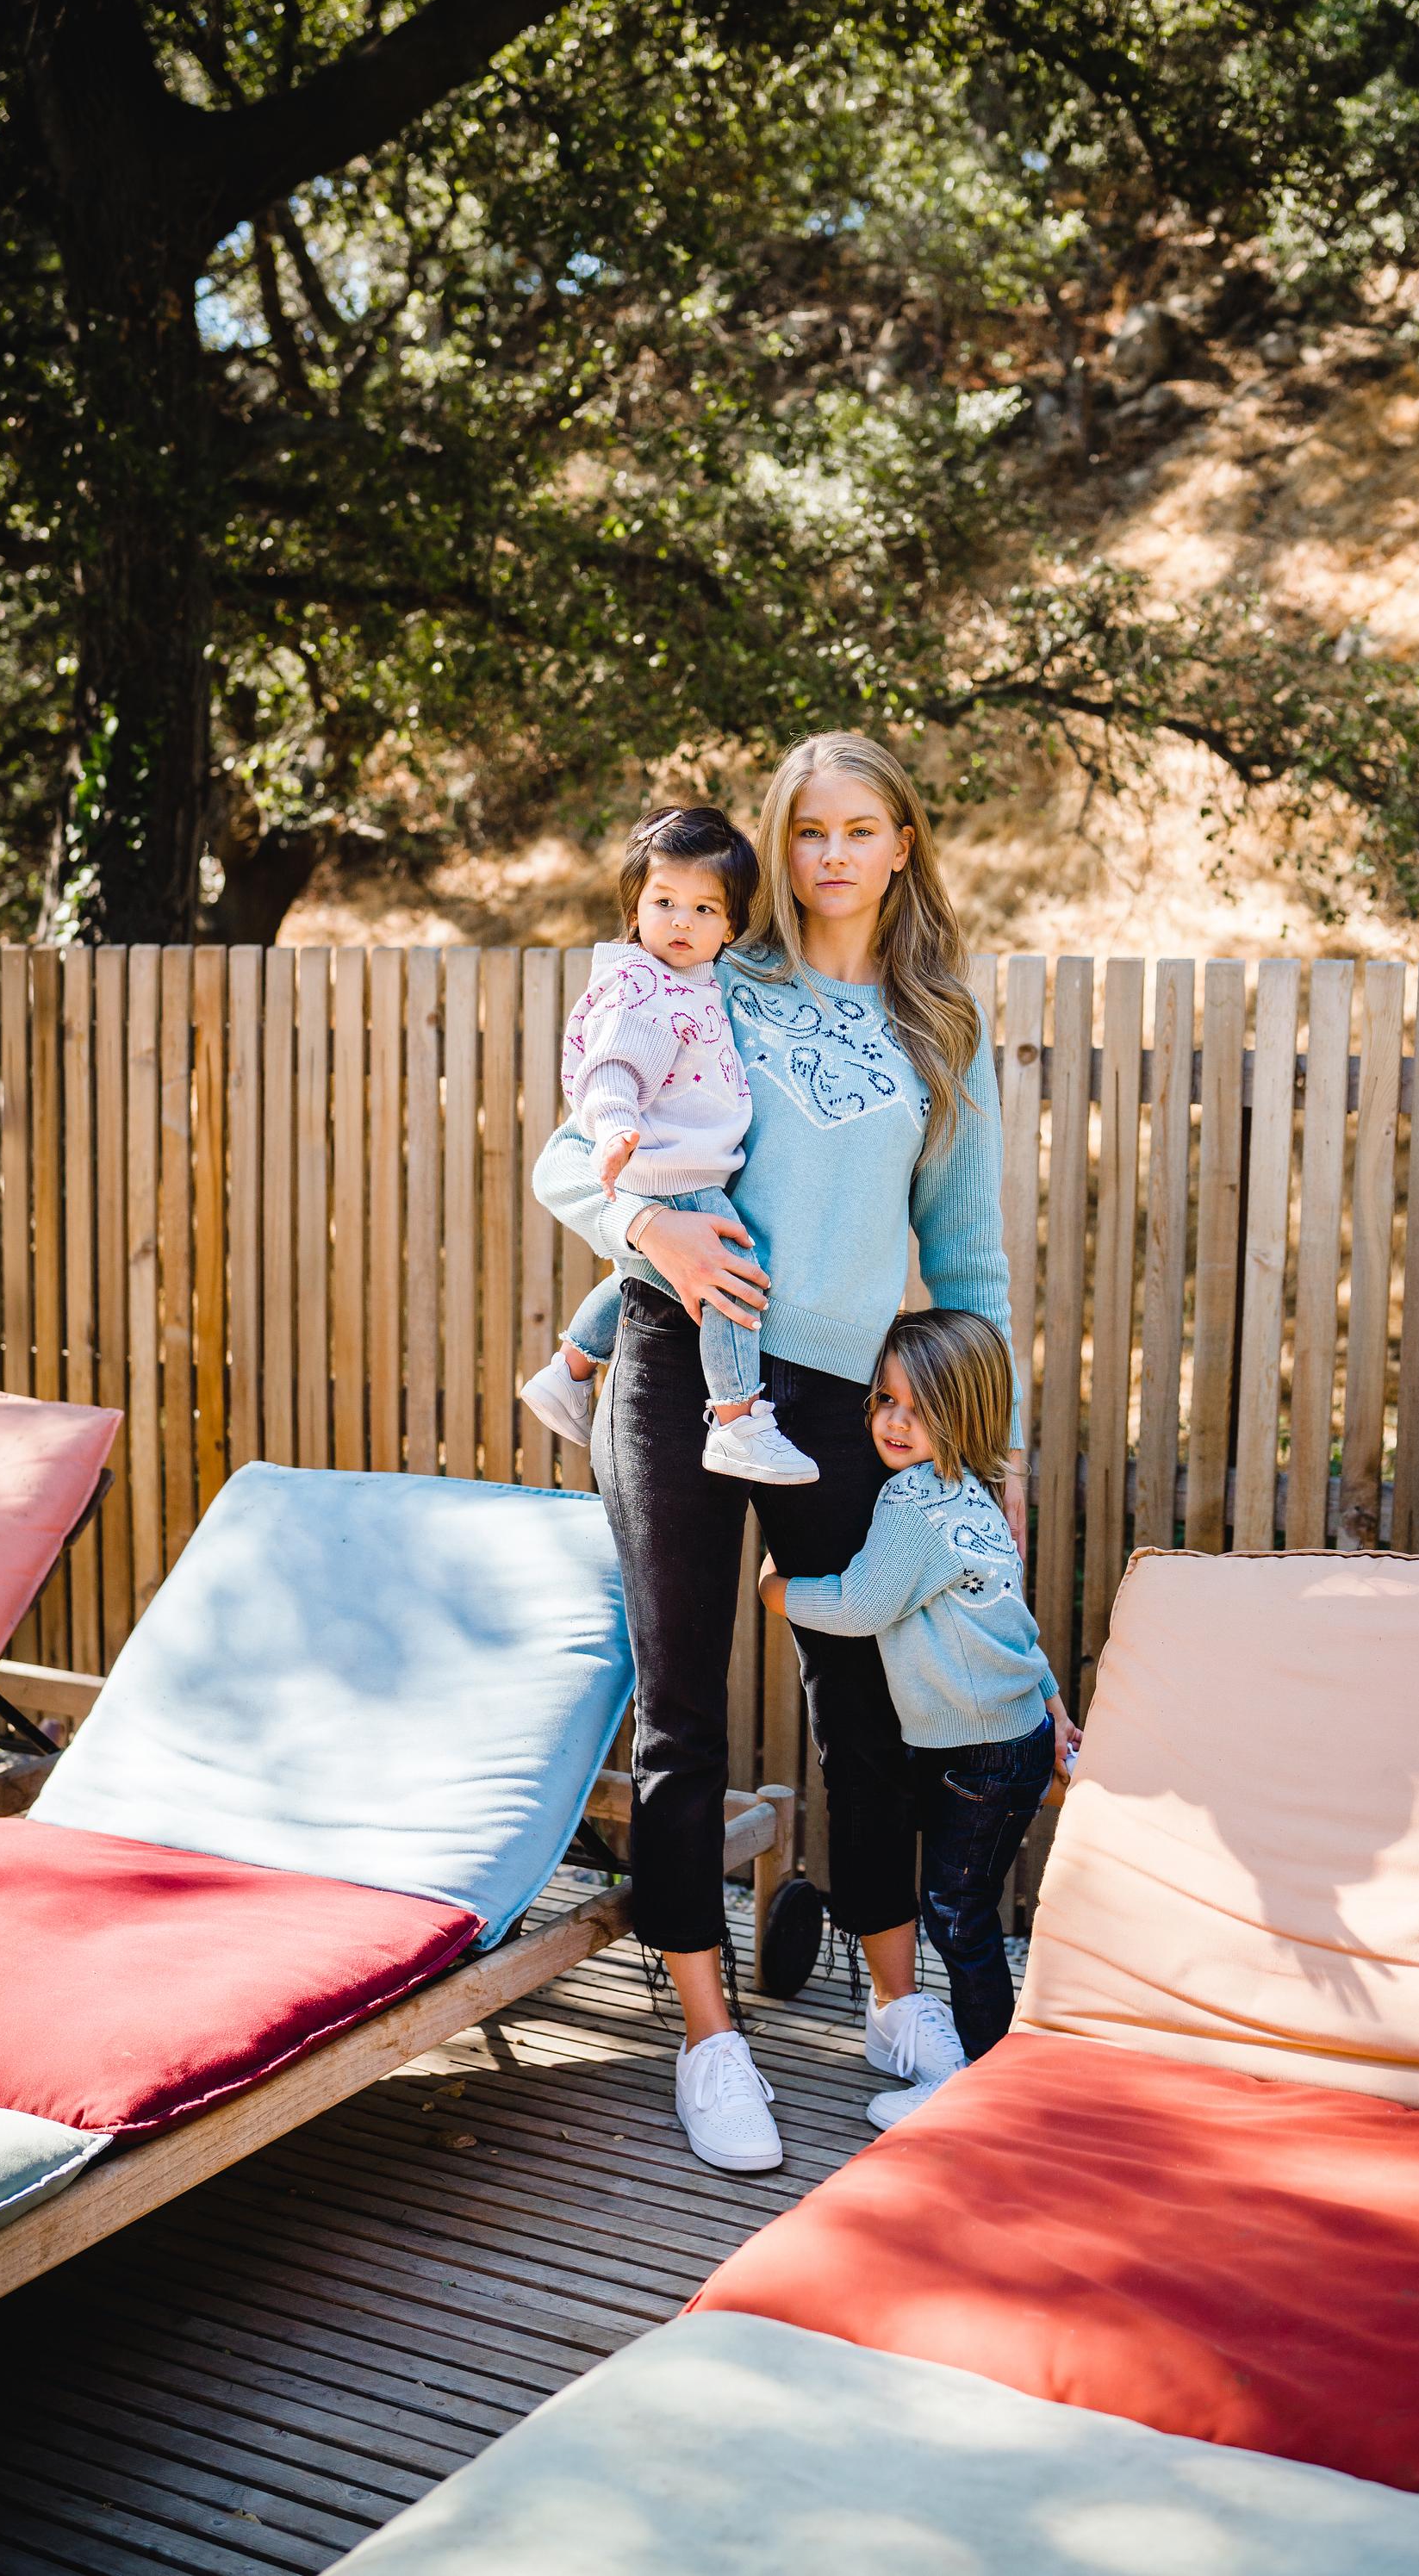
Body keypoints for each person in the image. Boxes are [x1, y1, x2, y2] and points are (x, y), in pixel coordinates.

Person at [532, 731, 1022, 2175]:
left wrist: (972, 1437)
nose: (827, 857)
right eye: (805, 829)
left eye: (858, 828)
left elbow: (969, 1255)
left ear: (900, 845)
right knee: (680, 1701)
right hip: (683, 1357)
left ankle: (894, 2004)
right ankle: (706, 2033)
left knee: (865, 1696)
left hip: (845, 1394)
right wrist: (653, 1230)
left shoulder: (938, 1019)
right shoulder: (705, 972)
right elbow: (580, 1152)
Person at [758, 1309, 1078, 2129]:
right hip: (1016, 1740)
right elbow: (1014, 1622)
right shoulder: (972, 1502)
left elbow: (864, 1606)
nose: (896, 1423)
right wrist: (1051, 1697)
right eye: (884, 1401)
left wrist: (779, 1592)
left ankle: (981, 2087)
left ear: (962, 1413)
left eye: (919, 1407)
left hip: (977, 1755)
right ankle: (988, 2066)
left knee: (959, 1920)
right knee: (967, 1912)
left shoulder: (908, 1504)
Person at [520, 805, 817, 1484]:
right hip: (673, 1166)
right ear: (635, 906)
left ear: (732, 925)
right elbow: (613, 1066)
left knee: (645, 1271)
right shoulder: (646, 990)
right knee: (731, 1277)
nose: (683, 922)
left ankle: (567, 1372)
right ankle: (739, 1418)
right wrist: (616, 1121)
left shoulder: (690, 981)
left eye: (705, 909)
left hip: (677, 1161)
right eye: (665, 902)